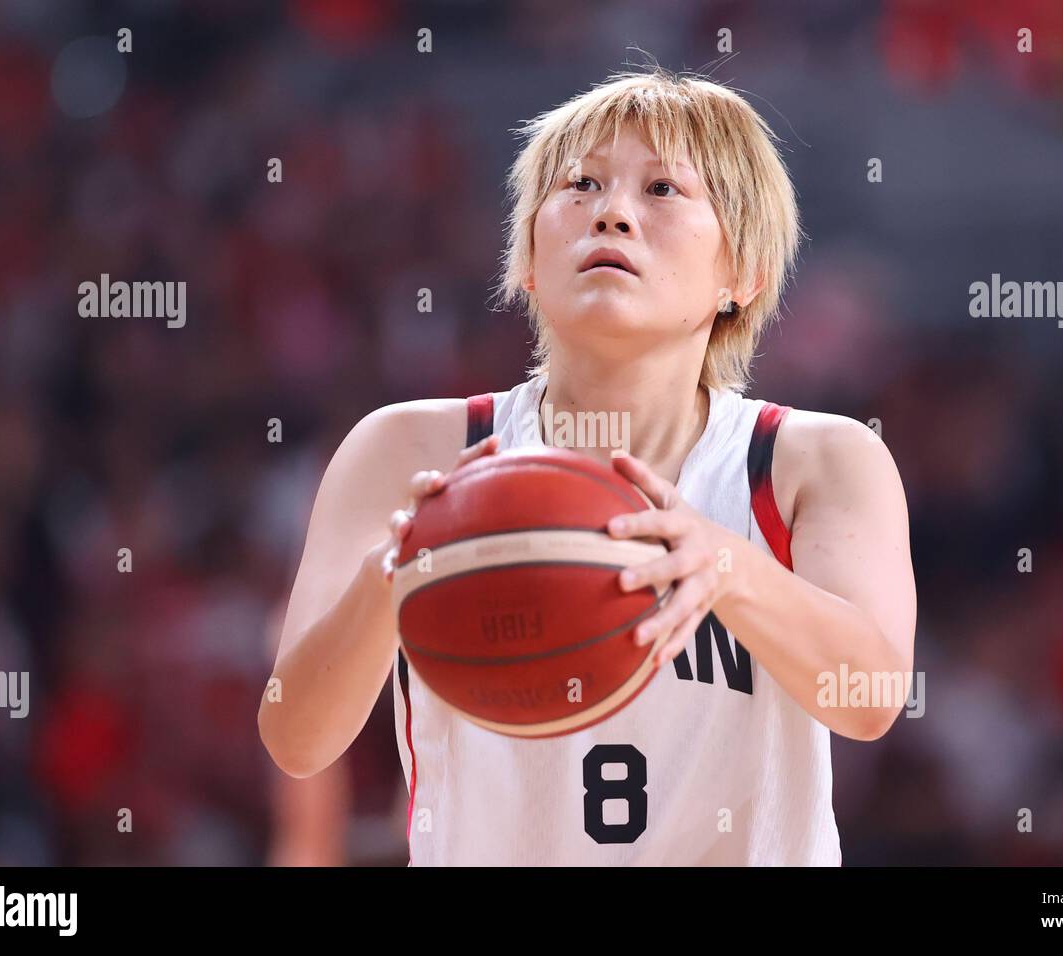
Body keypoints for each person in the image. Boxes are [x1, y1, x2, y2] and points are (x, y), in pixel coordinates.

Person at [259, 66, 916, 865]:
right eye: (581, 185)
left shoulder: (813, 460)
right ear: (529, 259)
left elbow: (872, 699)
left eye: (664, 190)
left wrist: (725, 566)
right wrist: (386, 579)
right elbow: (296, 739)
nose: (612, 212)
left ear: (741, 276)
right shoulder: (411, 451)